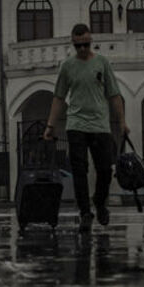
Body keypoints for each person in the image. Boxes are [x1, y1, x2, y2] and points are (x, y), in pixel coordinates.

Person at [44, 23, 129, 232]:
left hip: (100, 125)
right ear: (73, 44)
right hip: (76, 124)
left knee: (105, 170)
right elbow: (59, 97)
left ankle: (100, 203)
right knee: (79, 169)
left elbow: (114, 95)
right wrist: (50, 125)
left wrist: (122, 121)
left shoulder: (102, 63)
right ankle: (85, 212)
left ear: (91, 42)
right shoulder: (67, 66)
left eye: (85, 45)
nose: (82, 49)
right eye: (78, 45)